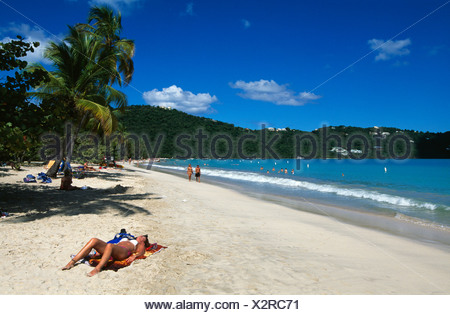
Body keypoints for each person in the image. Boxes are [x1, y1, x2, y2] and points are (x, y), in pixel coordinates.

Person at [62, 235, 150, 277]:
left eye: (143, 238)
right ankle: (72, 262)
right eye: (141, 236)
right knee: (94, 240)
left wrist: (135, 256)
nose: (141, 237)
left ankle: (97, 269)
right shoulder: (128, 238)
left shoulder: (139, 243)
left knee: (110, 245)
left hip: (123, 252)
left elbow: (141, 252)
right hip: (114, 249)